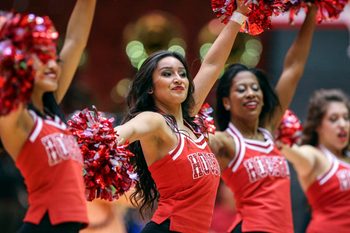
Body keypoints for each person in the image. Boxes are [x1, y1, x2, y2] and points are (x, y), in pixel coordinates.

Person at [114, 1, 249, 232]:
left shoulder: (189, 120)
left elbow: (212, 65)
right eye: (167, 74)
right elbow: (127, 131)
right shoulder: (155, 121)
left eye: (182, 73)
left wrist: (239, 14)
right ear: (150, 87)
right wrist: (101, 144)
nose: (178, 78)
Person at [209, 5, 318, 233]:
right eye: (241, 89)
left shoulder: (269, 128)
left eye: (255, 88)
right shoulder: (224, 141)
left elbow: (293, 68)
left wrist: (313, 9)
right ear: (226, 101)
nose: (250, 93)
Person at [0, 1, 96, 232]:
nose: (53, 64)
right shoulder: (18, 119)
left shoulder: (51, 112)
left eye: (54, 58)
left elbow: (75, 40)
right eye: (42, 59)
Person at [280, 89, 350, 233]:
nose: (342, 124)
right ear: (318, 125)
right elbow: (296, 154)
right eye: (333, 119)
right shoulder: (315, 156)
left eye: (346, 117)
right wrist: (279, 142)